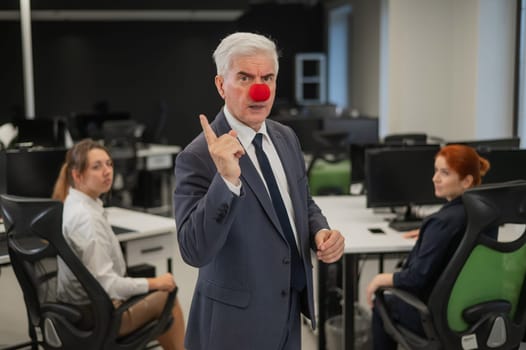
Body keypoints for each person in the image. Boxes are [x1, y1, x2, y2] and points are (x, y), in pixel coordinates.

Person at [173, 32, 345, 350]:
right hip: (233, 326)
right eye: (244, 77)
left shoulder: (286, 137)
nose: (259, 89)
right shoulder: (197, 155)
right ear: (220, 85)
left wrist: (320, 231)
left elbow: (303, 203)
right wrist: (225, 181)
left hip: (289, 310)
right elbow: (193, 249)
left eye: (267, 77)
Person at [52, 138, 185, 350]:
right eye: (97, 167)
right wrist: (154, 282)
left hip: (79, 311)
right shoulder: (87, 220)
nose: (107, 171)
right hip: (96, 317)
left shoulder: (74, 203)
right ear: (77, 175)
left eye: (109, 164)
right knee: (168, 292)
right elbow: (108, 285)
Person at [365, 144, 491, 349]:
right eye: (436, 171)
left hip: (435, 317)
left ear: (467, 181)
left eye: (445, 173)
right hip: (475, 314)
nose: (435, 178)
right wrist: (428, 233)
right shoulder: (485, 215)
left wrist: (380, 279)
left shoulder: (441, 222)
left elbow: (414, 279)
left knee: (383, 303)